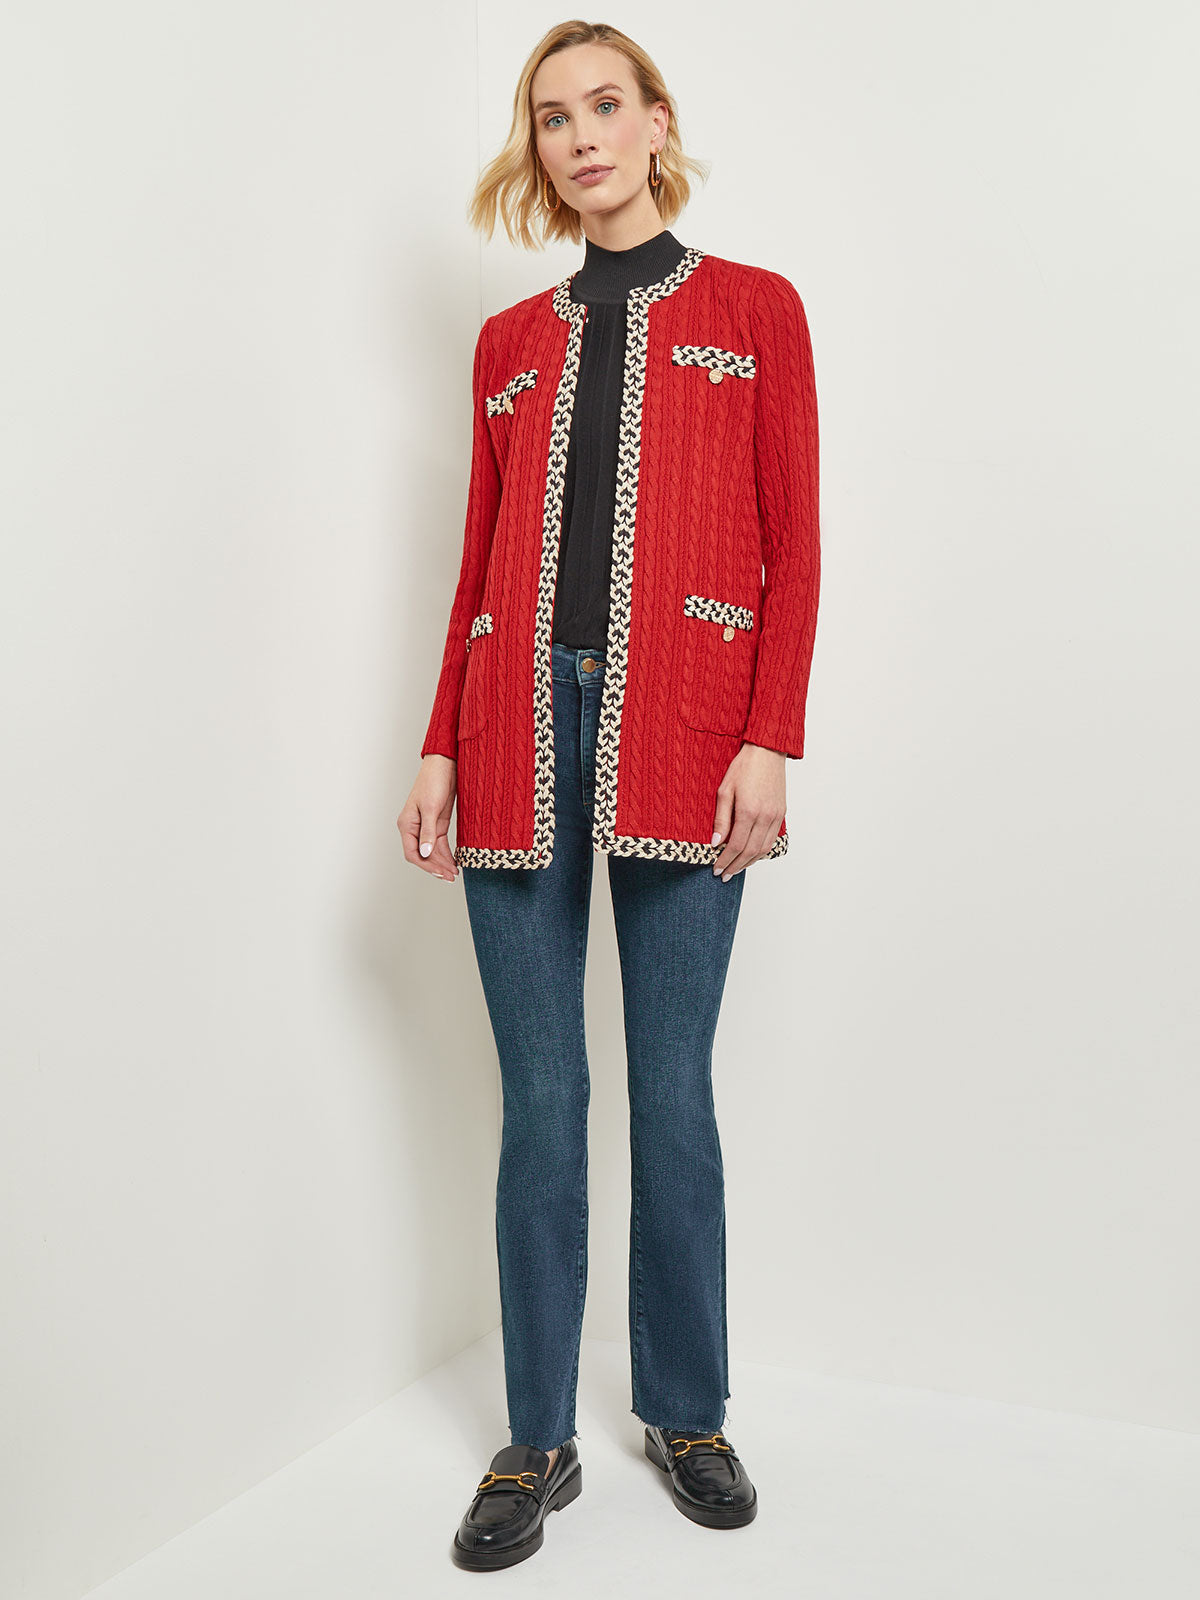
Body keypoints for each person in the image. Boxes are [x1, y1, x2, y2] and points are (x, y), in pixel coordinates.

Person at [396, 19, 820, 1572]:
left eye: (602, 107)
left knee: (672, 1093)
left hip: (691, 733)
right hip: (513, 730)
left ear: (655, 121)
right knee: (543, 1104)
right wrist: (439, 743)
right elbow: (476, 559)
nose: (578, 138)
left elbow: (796, 542)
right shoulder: (509, 342)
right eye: (551, 117)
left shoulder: (758, 311)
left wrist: (770, 734)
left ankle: (688, 1412)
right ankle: (536, 1439)